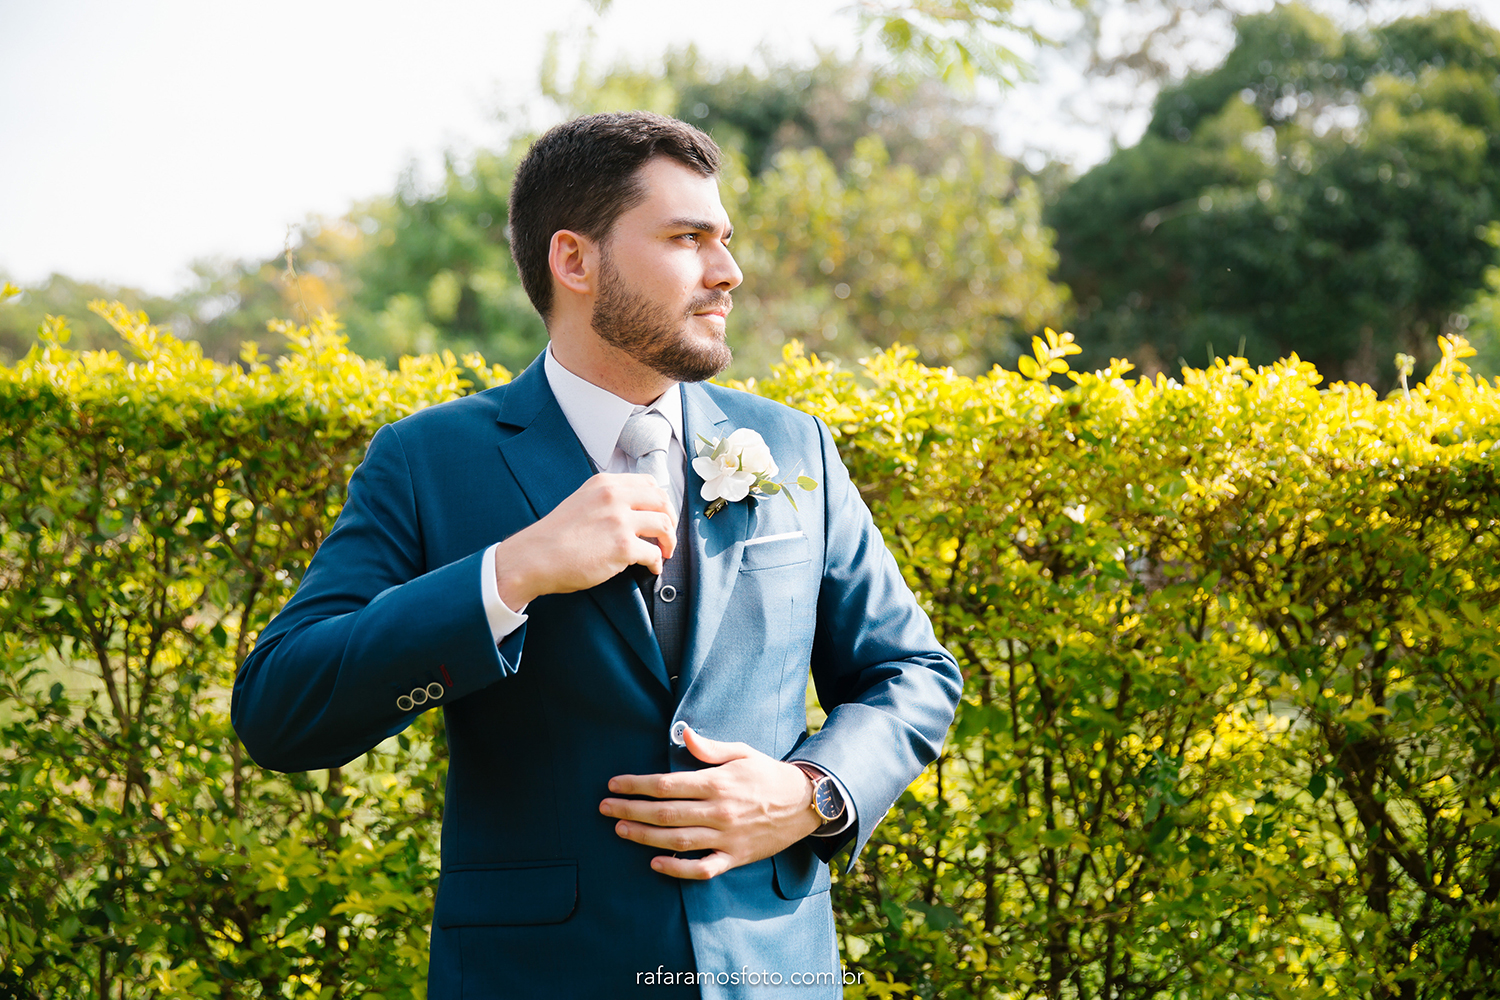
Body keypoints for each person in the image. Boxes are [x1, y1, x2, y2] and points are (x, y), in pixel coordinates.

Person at [232, 111, 961, 999]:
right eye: (687, 239)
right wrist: (509, 574)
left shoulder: (792, 446)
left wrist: (814, 792)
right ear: (574, 261)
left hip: (771, 974)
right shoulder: (427, 463)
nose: (727, 272)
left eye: (723, 240)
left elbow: (913, 673)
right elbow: (280, 709)